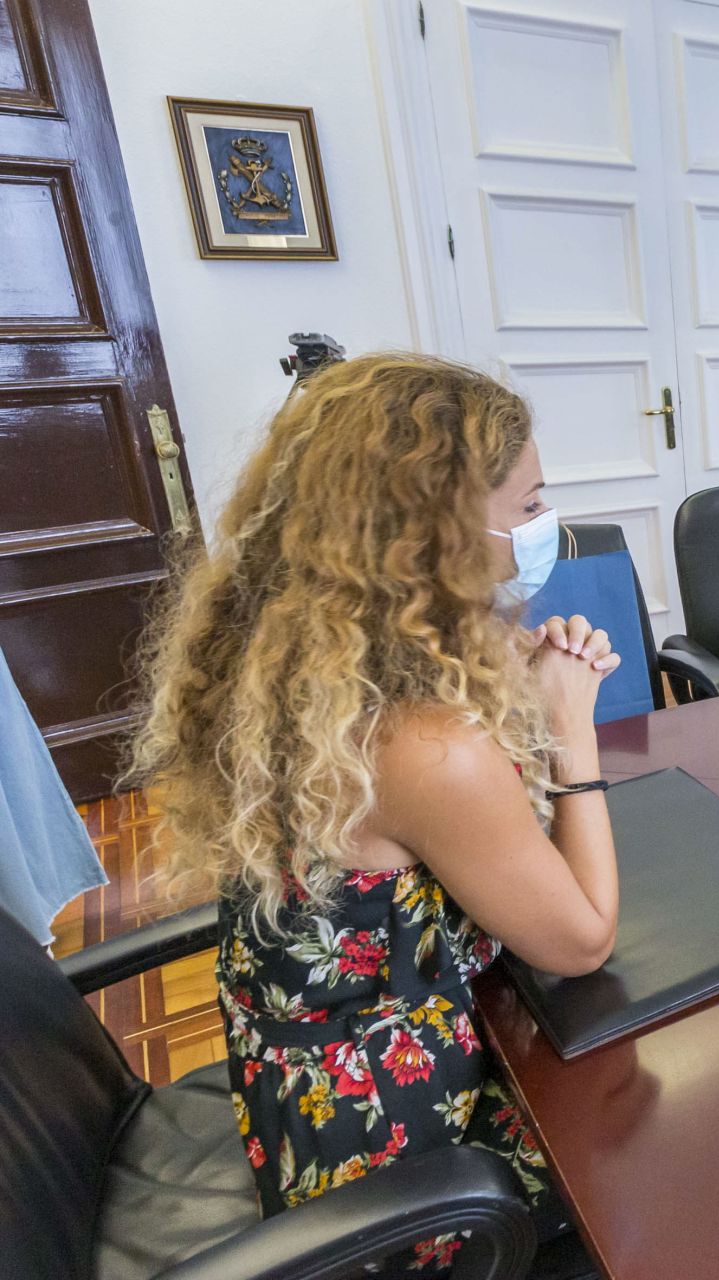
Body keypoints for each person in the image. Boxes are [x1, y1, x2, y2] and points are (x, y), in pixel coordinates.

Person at [126, 354, 623, 1274]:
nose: (544, 527)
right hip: (396, 1163)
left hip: (292, 1084)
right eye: (527, 507)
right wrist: (568, 726)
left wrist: (498, 663)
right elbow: (582, 939)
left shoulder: (299, 661)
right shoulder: (424, 747)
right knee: (649, 1136)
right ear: (435, 533)